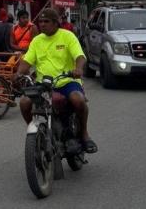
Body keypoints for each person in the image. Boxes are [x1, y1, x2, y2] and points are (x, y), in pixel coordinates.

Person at [16, 8, 97, 154]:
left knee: (78, 100)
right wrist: (18, 74)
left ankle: (84, 133)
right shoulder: (37, 40)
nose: (42, 24)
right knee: (24, 102)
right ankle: (35, 134)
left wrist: (78, 69)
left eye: (46, 21)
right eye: (40, 22)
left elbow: (80, 56)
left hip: (66, 81)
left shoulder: (67, 36)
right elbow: (26, 62)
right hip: (43, 84)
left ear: (55, 23)